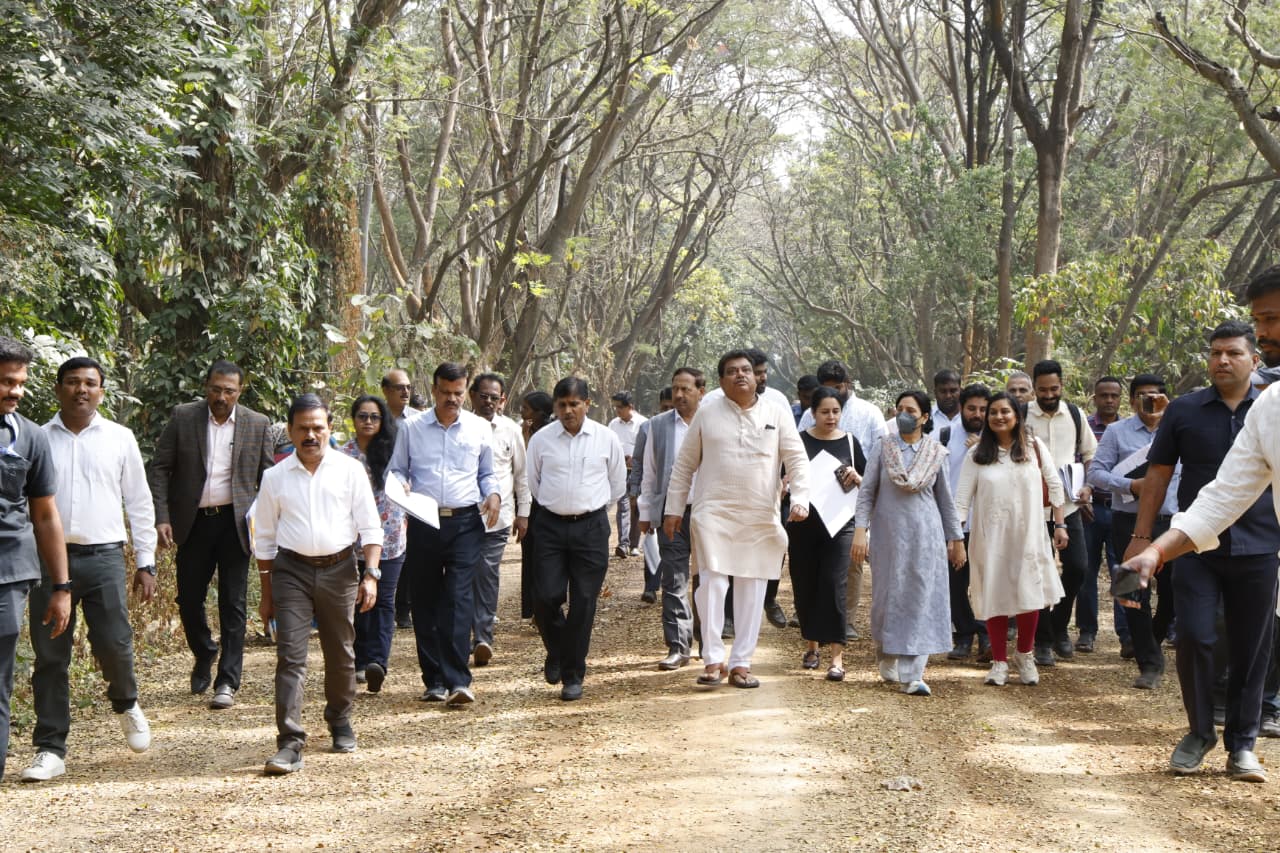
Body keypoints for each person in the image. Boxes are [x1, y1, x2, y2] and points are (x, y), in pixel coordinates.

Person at [1120, 319, 1280, 781]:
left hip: (1261, 545)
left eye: (1233, 352)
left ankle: (1242, 745)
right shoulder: (1184, 410)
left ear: (1255, 359)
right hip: (1193, 544)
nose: (1222, 360)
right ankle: (1198, 732)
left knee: (1252, 646)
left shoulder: (1268, 406)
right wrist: (1144, 538)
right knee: (1192, 635)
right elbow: (1159, 474)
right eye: (1215, 353)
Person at [21, 357, 155, 783]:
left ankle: (126, 702)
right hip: (48, 561)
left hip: (104, 557)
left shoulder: (120, 438)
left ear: (101, 391)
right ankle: (50, 748)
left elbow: (139, 501)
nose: (82, 389)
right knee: (50, 654)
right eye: (73, 382)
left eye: (90, 383)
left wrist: (146, 561)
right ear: (58, 388)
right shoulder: (37, 438)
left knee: (114, 642)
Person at [663, 350, 810, 689]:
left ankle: (742, 662)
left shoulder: (776, 410)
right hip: (713, 511)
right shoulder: (707, 413)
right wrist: (673, 510)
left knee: (752, 586)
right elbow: (685, 465)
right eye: (732, 371)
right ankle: (713, 659)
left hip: (760, 513)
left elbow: (797, 460)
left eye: (746, 370)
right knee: (711, 584)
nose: (741, 375)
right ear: (720, 381)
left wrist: (801, 498)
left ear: (757, 376)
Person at [254, 395, 383, 775]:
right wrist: (267, 593)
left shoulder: (350, 470)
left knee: (341, 652)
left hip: (340, 570)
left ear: (329, 428)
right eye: (303, 428)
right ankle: (290, 742)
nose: (311, 435)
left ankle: (340, 720)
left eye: (318, 427)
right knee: (290, 656)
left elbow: (371, 527)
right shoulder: (274, 477)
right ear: (290, 431)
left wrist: (371, 575)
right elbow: (264, 538)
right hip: (290, 571)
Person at [147, 360, 274, 710]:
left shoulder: (257, 424)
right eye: (216, 389)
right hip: (193, 522)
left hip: (235, 524)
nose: (221, 396)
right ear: (207, 386)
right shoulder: (184, 417)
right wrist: (162, 517)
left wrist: (266, 521)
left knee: (233, 604)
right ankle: (204, 651)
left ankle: (227, 681)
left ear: (240, 391)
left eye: (229, 391)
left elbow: (269, 478)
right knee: (188, 599)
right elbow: (159, 469)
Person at [388, 363, 501, 706]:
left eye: (458, 393)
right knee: (425, 599)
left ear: (465, 391)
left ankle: (458, 680)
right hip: (424, 521)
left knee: (457, 597)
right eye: (446, 392)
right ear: (434, 390)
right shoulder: (411, 428)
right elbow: (396, 469)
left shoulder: (480, 428)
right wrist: (402, 483)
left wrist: (493, 494)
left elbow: (487, 473)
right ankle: (433, 679)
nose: (452, 399)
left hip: (466, 522)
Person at [953, 392, 1069, 687]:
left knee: (1029, 594)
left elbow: (1055, 486)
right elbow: (961, 500)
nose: (999, 417)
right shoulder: (976, 454)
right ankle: (999, 662)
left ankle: (1025, 655)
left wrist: (1060, 525)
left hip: (1029, 535)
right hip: (990, 539)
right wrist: (955, 539)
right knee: (995, 594)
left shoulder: (1033, 448)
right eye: (993, 413)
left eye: (1005, 411)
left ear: (1017, 415)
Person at [852, 390, 964, 695]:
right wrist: (861, 530)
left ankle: (913, 673)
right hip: (888, 537)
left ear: (924, 417)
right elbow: (866, 493)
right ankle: (886, 651)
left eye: (911, 409)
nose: (903, 413)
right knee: (888, 597)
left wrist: (956, 539)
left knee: (921, 598)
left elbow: (946, 501)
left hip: (926, 537)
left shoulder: (936, 453)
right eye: (899, 408)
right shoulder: (883, 447)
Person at [524, 378, 627, 700]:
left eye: (574, 404)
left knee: (583, 601)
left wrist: (589, 508)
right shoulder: (541, 440)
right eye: (562, 405)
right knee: (545, 597)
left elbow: (617, 484)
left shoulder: (606, 438)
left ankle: (573, 674)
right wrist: (558, 508)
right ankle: (556, 650)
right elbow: (534, 482)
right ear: (555, 406)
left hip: (591, 528)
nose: (568, 411)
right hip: (550, 527)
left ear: (587, 404)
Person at [0, 337, 70, 783]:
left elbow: (45, 515)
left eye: (21, 383)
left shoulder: (30, 436)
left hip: (8, 573)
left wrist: (61, 587)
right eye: (7, 382)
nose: (17, 391)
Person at [1085, 375, 1178, 689]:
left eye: (1155, 395)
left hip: (1173, 523)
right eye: (1141, 396)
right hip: (1127, 522)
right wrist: (1130, 486)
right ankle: (1149, 663)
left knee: (1173, 591)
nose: (1148, 402)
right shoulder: (1116, 432)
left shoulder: (1179, 429)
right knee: (1130, 590)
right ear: (1131, 400)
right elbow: (1095, 472)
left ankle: (1151, 637)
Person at [797, 359, 889, 639]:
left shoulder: (870, 413)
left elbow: (881, 457)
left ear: (847, 384)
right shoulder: (804, 424)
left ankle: (843, 622)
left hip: (850, 507)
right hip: (812, 510)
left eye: (838, 390)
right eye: (826, 394)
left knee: (849, 566)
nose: (831, 413)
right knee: (813, 570)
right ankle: (815, 624)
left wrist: (861, 479)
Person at [1025, 359, 1097, 666]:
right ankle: (1042, 640)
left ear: (1062, 386)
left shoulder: (1076, 415)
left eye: (1054, 388)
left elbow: (1092, 456)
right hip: (1032, 509)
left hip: (1068, 507)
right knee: (1037, 574)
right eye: (1043, 390)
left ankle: (1059, 627)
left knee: (1078, 567)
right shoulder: (1021, 415)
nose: (1049, 394)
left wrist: (1089, 488)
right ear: (1034, 389)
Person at [790, 388, 864, 681]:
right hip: (804, 525)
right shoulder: (798, 442)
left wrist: (858, 478)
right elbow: (785, 479)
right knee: (805, 583)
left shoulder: (850, 442)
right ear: (813, 413)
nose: (830, 417)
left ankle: (837, 657)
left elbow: (867, 484)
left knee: (835, 585)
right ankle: (811, 646)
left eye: (835, 411)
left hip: (841, 524)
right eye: (824, 412)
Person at [639, 368, 707, 670]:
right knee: (674, 579)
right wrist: (646, 511)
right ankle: (678, 646)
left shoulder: (715, 421)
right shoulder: (657, 426)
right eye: (675, 389)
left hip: (709, 512)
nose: (679, 395)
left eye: (685, 389)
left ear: (700, 391)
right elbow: (650, 471)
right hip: (672, 513)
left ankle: (709, 645)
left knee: (708, 580)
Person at [341, 395, 405, 693]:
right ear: (353, 419)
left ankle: (377, 661)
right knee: (357, 600)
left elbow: (410, 482)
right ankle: (358, 660)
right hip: (351, 540)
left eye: (374, 417)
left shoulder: (395, 453)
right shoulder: (341, 456)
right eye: (363, 416)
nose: (368, 422)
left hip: (390, 539)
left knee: (383, 600)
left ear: (383, 421)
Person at [469, 373, 529, 666]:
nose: (489, 402)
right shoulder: (461, 427)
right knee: (463, 575)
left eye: (495, 397)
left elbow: (521, 475)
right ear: (472, 396)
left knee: (487, 572)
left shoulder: (509, 431)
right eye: (484, 396)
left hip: (498, 518)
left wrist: (523, 514)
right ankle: (466, 632)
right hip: (462, 517)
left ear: (503, 400)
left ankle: (483, 636)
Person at [1076, 376, 1124, 655]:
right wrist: (1081, 498)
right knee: (1086, 571)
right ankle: (1086, 631)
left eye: (1113, 395)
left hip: (1122, 511)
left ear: (1121, 399)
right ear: (1094, 398)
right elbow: (1077, 463)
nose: (1108, 400)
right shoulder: (1085, 428)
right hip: (1090, 510)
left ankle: (1127, 634)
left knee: (1124, 571)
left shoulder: (1127, 430)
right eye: (1103, 395)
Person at [945, 384, 991, 662]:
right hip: (954, 523)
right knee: (954, 583)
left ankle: (987, 634)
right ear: (961, 408)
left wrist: (985, 449)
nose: (977, 414)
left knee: (986, 582)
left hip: (987, 523)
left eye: (983, 409)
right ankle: (963, 635)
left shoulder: (1000, 438)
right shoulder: (946, 435)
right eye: (971, 408)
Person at [382, 368, 416, 628]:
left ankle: (404, 609)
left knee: (410, 552)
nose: (405, 392)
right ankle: (384, 605)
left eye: (408, 387)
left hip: (413, 497)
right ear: (385, 391)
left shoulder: (418, 421)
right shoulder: (376, 419)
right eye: (398, 387)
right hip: (381, 500)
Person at [518, 391, 554, 620]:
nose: (522, 412)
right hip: (528, 503)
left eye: (527, 409)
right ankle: (531, 608)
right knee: (529, 556)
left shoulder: (550, 436)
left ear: (540, 413)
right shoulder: (523, 431)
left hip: (546, 504)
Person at [608, 392, 647, 559]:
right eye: (615, 406)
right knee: (623, 505)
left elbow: (649, 447)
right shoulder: (613, 425)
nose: (617, 410)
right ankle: (623, 544)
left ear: (630, 406)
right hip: (620, 470)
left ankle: (634, 544)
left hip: (639, 471)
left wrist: (636, 458)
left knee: (636, 506)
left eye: (620, 407)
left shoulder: (643, 423)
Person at [931, 369, 962, 437]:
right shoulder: (925, 419)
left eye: (953, 391)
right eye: (943, 391)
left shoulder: (970, 418)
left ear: (961, 391)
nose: (948, 396)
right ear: (935, 393)